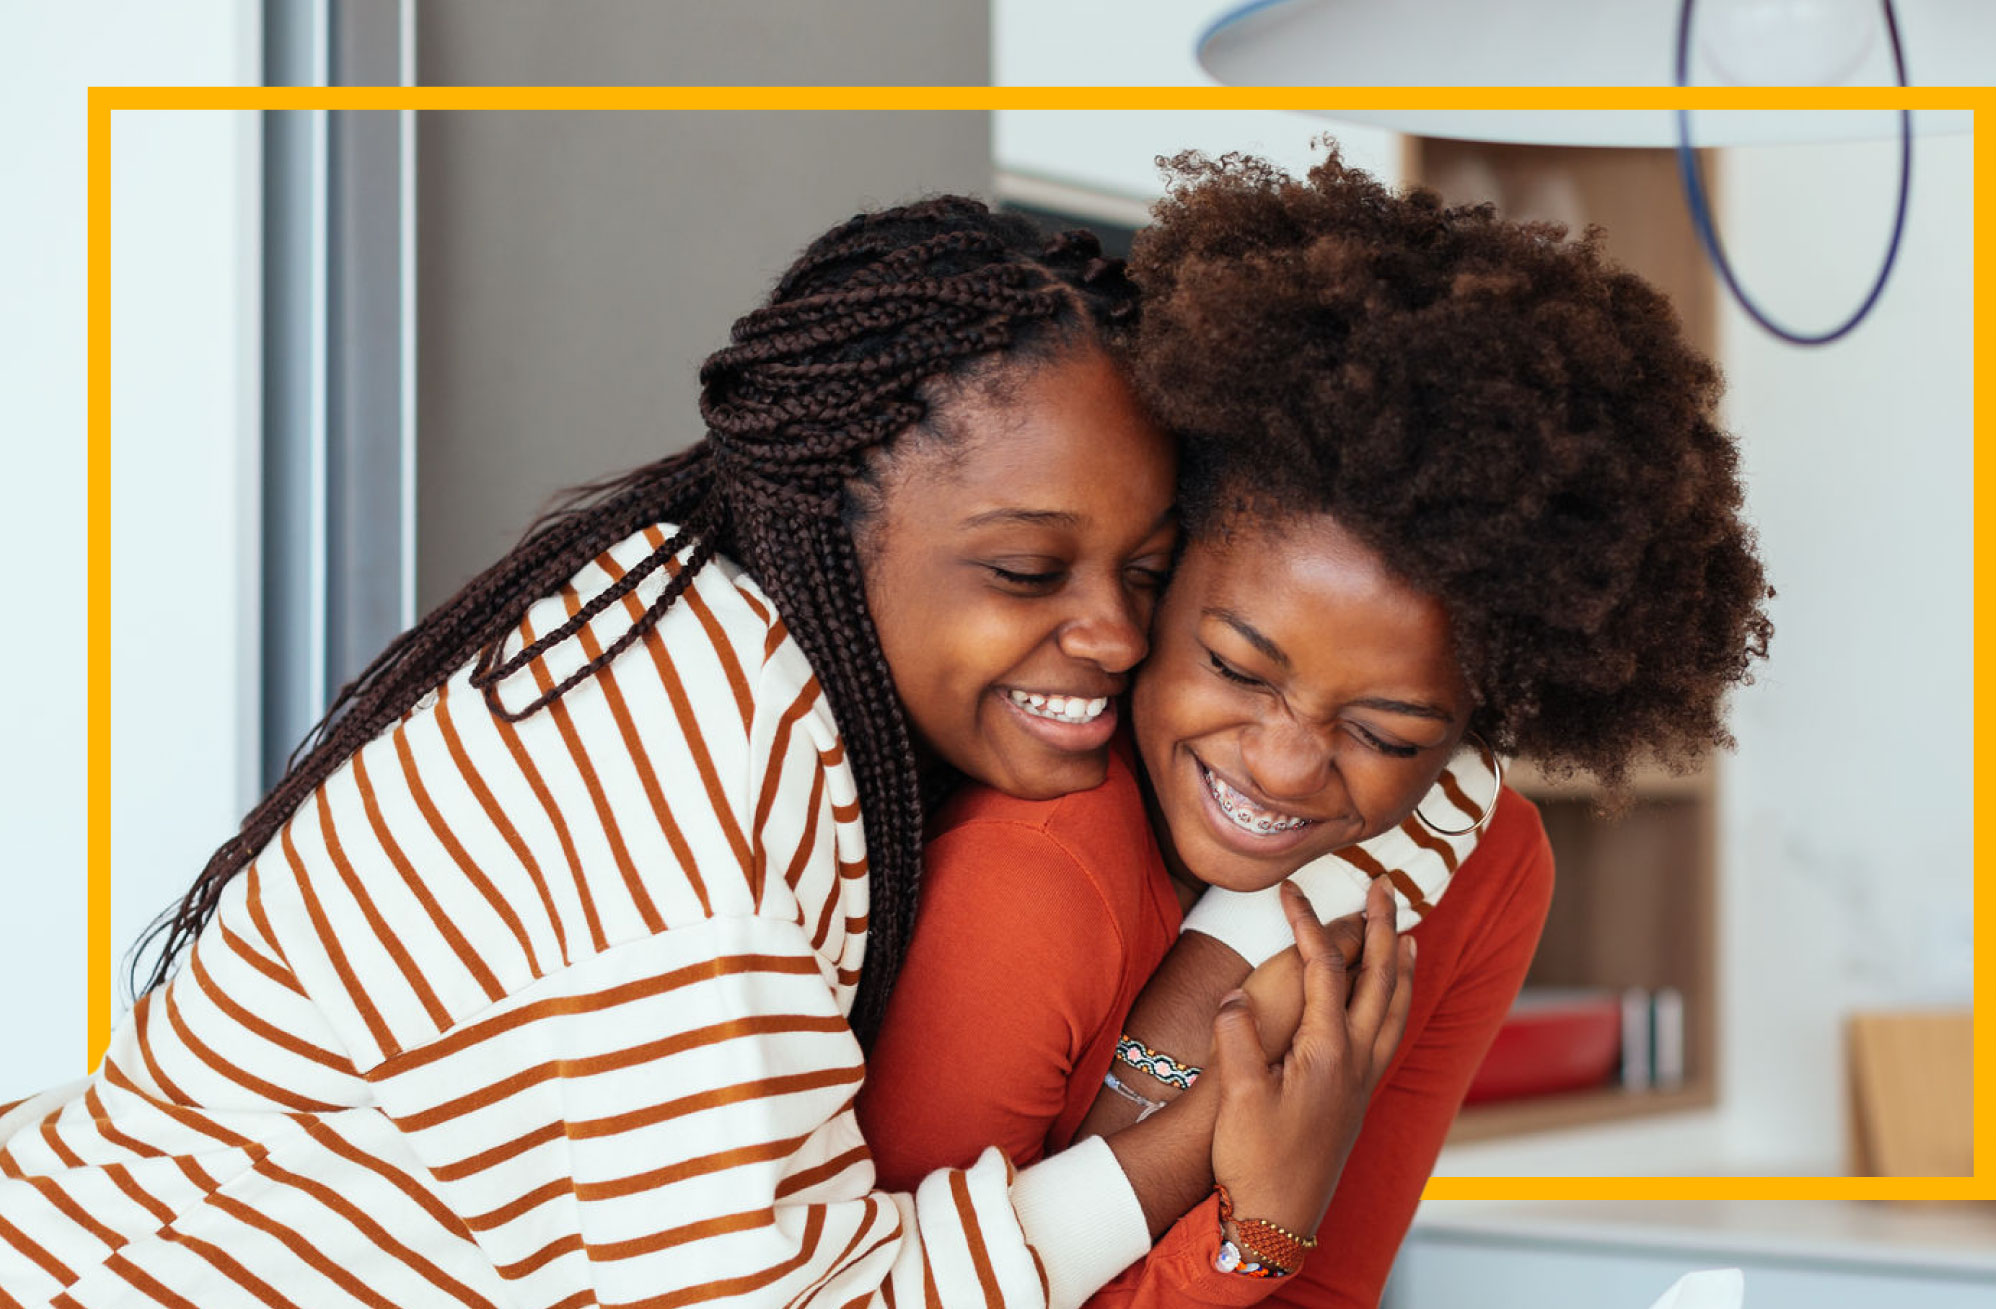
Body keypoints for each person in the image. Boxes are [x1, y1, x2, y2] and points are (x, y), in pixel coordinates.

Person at [0, 197, 1405, 1309]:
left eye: (1145, 572)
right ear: (842, 511)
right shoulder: (700, 817)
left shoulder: (703, 613)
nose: (1109, 634)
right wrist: (1202, 1146)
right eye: (1029, 570)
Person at [858, 151, 1775, 1306]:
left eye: (1389, 732)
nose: (1283, 766)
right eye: (1239, 666)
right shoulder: (1030, 873)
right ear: (1161, 567)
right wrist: (1254, 1214)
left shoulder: (1480, 872)